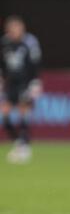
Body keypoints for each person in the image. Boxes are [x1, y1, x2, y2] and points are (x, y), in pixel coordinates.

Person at [0, 15, 42, 163]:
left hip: (25, 83)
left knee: (24, 112)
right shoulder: (4, 43)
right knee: (5, 114)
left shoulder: (30, 42)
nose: (15, 31)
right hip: (10, 84)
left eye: (17, 28)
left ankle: (24, 146)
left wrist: (35, 82)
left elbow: (35, 64)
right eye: (12, 29)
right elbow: (3, 64)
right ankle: (20, 144)